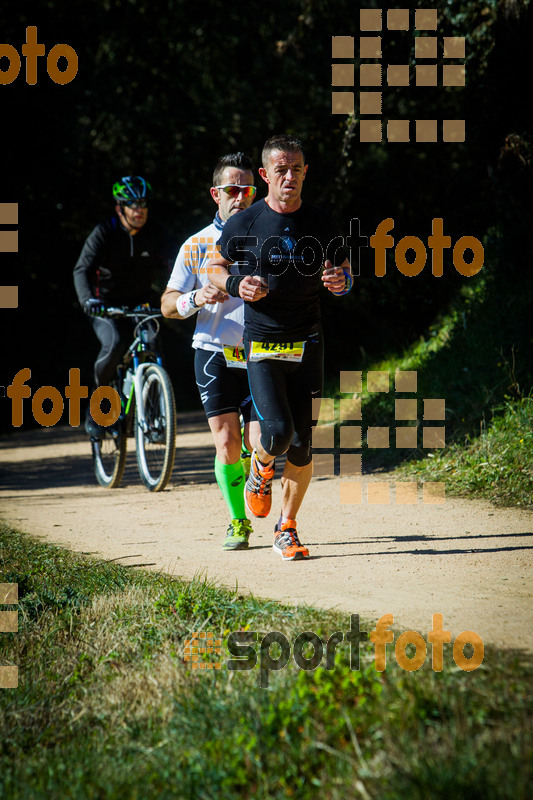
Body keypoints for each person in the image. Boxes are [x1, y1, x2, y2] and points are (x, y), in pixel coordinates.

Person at [207, 135, 352, 561]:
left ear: (306, 172)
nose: (290, 177)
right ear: (266, 175)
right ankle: (259, 470)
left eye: (297, 169)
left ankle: (286, 528)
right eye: (281, 170)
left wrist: (342, 282)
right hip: (265, 345)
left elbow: (342, 269)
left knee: (305, 444)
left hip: (308, 341)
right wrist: (235, 283)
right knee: (277, 432)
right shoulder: (246, 223)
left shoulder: (322, 222)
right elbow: (214, 267)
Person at [161, 153, 261, 551]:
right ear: (215, 194)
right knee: (227, 444)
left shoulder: (269, 235)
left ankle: (262, 487)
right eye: (232, 190)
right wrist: (196, 297)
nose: (240, 197)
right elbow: (168, 305)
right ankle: (238, 521)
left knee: (261, 442)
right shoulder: (196, 244)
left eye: (248, 189)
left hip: (261, 352)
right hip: (213, 351)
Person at [73, 176, 178, 436]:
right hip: (105, 306)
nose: (139, 209)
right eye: (132, 204)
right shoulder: (104, 232)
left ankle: (153, 416)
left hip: (140, 304)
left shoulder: (156, 232)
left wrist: (183, 293)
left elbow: (177, 264)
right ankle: (98, 406)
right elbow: (82, 269)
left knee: (153, 342)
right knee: (116, 342)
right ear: (120, 207)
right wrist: (88, 300)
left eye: (143, 203)